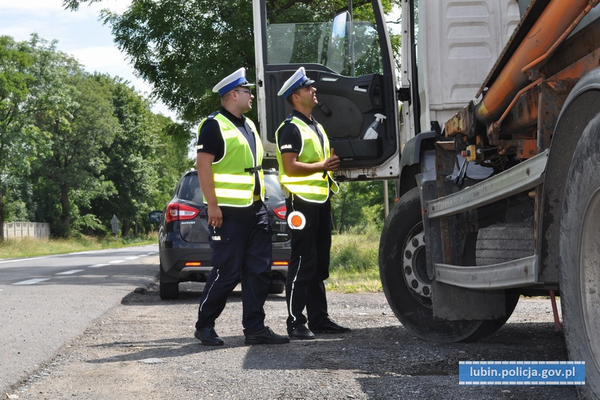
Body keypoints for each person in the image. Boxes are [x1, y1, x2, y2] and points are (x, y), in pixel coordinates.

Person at [194, 67, 289, 346]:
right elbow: (203, 167)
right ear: (233, 94)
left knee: (259, 269)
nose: (251, 95)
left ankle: (255, 329)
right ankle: (205, 325)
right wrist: (212, 206)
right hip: (227, 212)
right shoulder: (213, 126)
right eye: (247, 91)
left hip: (256, 209)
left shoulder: (248, 125)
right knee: (227, 271)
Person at [275, 67, 351, 339]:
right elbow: (290, 167)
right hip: (300, 204)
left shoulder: (316, 125)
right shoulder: (290, 128)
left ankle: (319, 319)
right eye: (308, 88)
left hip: (319, 200)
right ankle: (296, 322)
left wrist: (327, 167)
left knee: (318, 261)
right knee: (302, 260)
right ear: (296, 96)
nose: (314, 90)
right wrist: (323, 165)